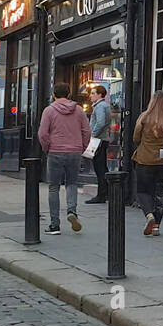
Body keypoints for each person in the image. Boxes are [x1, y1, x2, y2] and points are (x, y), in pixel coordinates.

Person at [37, 83, 90, 235]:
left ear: (54, 94)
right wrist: (82, 147)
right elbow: (86, 131)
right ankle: (72, 211)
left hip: (55, 151)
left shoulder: (49, 111)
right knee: (72, 183)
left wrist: (47, 147)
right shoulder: (79, 110)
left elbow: (42, 134)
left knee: (53, 187)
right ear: (68, 94)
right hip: (75, 152)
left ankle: (55, 225)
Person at [132, 90, 163, 237]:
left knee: (143, 191)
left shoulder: (144, 118)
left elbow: (136, 138)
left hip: (145, 159)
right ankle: (156, 225)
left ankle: (149, 215)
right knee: (160, 192)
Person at [86, 85, 111, 204]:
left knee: (99, 167)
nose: (90, 95)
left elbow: (100, 123)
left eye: (93, 93)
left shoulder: (100, 106)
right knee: (102, 167)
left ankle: (102, 195)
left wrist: (93, 135)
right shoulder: (103, 106)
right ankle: (106, 193)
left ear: (100, 94)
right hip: (103, 139)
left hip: (99, 140)